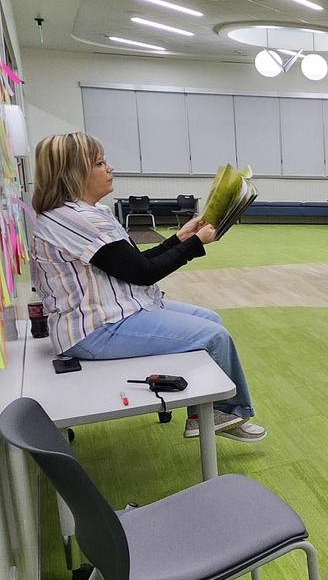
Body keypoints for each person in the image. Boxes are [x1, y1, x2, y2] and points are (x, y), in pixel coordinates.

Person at [29, 132, 265, 442]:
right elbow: (143, 273)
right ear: (75, 173)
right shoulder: (78, 220)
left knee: (212, 320)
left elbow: (129, 263)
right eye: (100, 163)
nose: (110, 167)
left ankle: (201, 415)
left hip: (119, 309)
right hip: (95, 329)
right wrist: (195, 243)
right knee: (215, 336)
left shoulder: (80, 214)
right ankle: (228, 411)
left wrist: (179, 239)